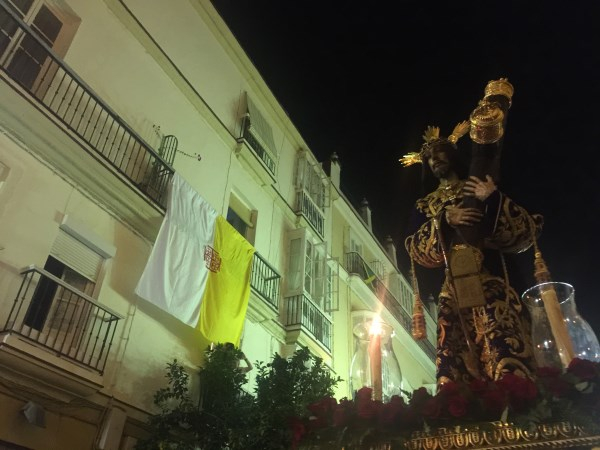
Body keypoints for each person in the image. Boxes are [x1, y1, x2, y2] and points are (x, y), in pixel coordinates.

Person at [402, 124, 541, 384]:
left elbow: (526, 230)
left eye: (439, 153)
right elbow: (413, 247)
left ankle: (520, 395)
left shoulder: (479, 184)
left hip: (496, 277)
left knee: (506, 343)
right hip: (455, 285)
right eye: (429, 157)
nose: (434, 159)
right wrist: (443, 221)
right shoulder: (426, 205)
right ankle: (467, 403)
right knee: (460, 355)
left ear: (452, 155)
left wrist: (492, 198)